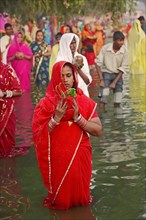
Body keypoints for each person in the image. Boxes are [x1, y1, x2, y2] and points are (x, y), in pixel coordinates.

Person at [32, 61, 102, 210]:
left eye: (68, 75)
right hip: (58, 157)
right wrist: (55, 118)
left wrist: (78, 118)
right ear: (55, 78)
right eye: (61, 76)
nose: (65, 79)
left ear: (74, 77)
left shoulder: (84, 101)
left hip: (80, 153)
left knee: (81, 199)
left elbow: (98, 131)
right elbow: (38, 135)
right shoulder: (46, 104)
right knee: (61, 202)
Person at [0, 58, 29, 158]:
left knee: (7, 149)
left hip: (6, 112)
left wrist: (4, 93)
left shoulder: (7, 70)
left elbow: (19, 91)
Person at [95, 31, 129, 108]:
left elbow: (123, 68)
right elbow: (97, 63)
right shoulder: (105, 48)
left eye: (122, 40)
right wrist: (101, 80)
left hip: (118, 77)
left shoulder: (125, 51)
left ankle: (117, 119)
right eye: (119, 40)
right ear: (114, 40)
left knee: (118, 101)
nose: (121, 42)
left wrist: (114, 82)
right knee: (103, 100)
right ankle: (101, 118)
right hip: (106, 76)